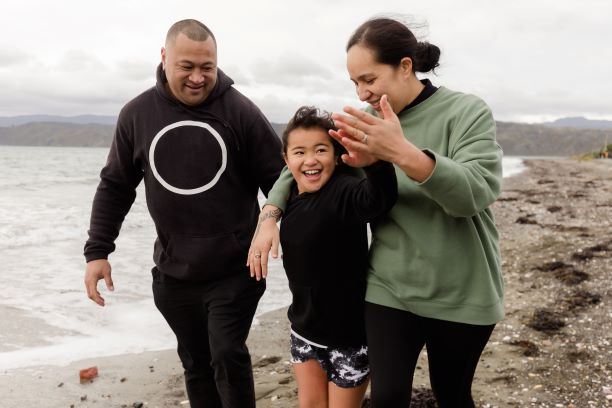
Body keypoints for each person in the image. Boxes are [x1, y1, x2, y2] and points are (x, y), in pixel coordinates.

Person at [250, 17, 504, 408]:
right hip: (390, 288)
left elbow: (476, 192)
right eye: (355, 83)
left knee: (452, 394)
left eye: (369, 79)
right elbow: (300, 161)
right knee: (385, 398)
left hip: (462, 288)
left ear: (405, 66)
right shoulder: (362, 123)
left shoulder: (465, 111)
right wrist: (270, 215)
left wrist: (399, 153)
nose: (362, 92)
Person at [83, 19, 284, 408]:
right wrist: (97, 252)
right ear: (164, 58)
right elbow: (115, 185)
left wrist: (273, 221)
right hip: (175, 273)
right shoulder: (137, 114)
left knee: (227, 352)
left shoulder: (240, 111)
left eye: (206, 67)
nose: (197, 77)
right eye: (186, 66)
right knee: (195, 363)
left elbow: (280, 179)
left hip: (237, 268)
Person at [250, 106, 396, 407]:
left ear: (334, 154)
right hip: (304, 330)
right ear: (286, 160)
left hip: (349, 337)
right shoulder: (289, 197)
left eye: (320, 150)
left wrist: (375, 165)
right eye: (300, 152)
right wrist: (267, 220)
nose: (311, 160)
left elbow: (377, 199)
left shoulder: (344, 191)